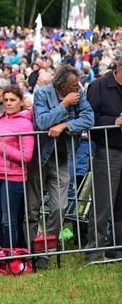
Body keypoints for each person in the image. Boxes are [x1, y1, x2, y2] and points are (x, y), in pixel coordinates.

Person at [28, 64, 94, 267]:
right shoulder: (42, 94)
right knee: (32, 208)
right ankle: (30, 249)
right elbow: (42, 122)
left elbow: (89, 118)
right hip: (39, 157)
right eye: (74, 84)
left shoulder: (78, 95)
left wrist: (65, 125)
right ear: (62, 85)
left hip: (62, 159)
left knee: (59, 207)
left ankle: (46, 251)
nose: (78, 87)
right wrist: (64, 105)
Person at [84, 57, 122, 263]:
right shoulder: (99, 86)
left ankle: (117, 248)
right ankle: (94, 250)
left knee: (120, 204)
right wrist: (114, 121)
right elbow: (89, 118)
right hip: (108, 150)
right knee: (103, 202)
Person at [0, 86, 34, 248]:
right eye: (5, 100)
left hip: (13, 177)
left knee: (8, 221)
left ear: (21, 102)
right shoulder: (0, 118)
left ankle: (10, 257)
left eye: (12, 100)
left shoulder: (25, 124)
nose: (8, 103)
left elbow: (26, 156)